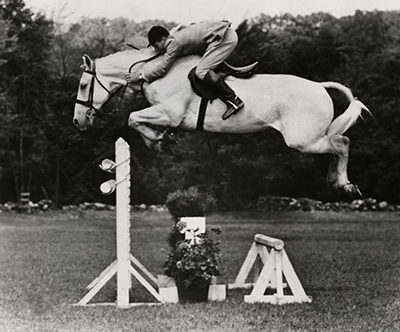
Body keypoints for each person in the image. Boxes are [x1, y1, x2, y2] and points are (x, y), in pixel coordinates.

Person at [125, 20, 244, 120]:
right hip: (220, 36)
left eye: (156, 46)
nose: (157, 50)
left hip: (225, 38)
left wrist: (141, 76)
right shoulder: (172, 38)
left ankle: (234, 100)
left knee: (200, 72)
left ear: (163, 39)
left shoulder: (172, 44)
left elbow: (163, 68)